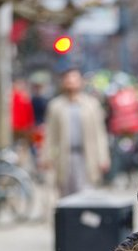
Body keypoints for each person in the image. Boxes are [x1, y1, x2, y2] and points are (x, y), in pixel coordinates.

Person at [42, 68, 110, 196]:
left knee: (87, 193)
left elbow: (100, 134)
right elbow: (50, 134)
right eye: (68, 79)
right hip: (65, 156)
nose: (71, 82)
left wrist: (103, 157)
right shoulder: (56, 106)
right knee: (65, 194)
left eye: (74, 79)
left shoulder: (91, 105)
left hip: (87, 156)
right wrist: (46, 157)